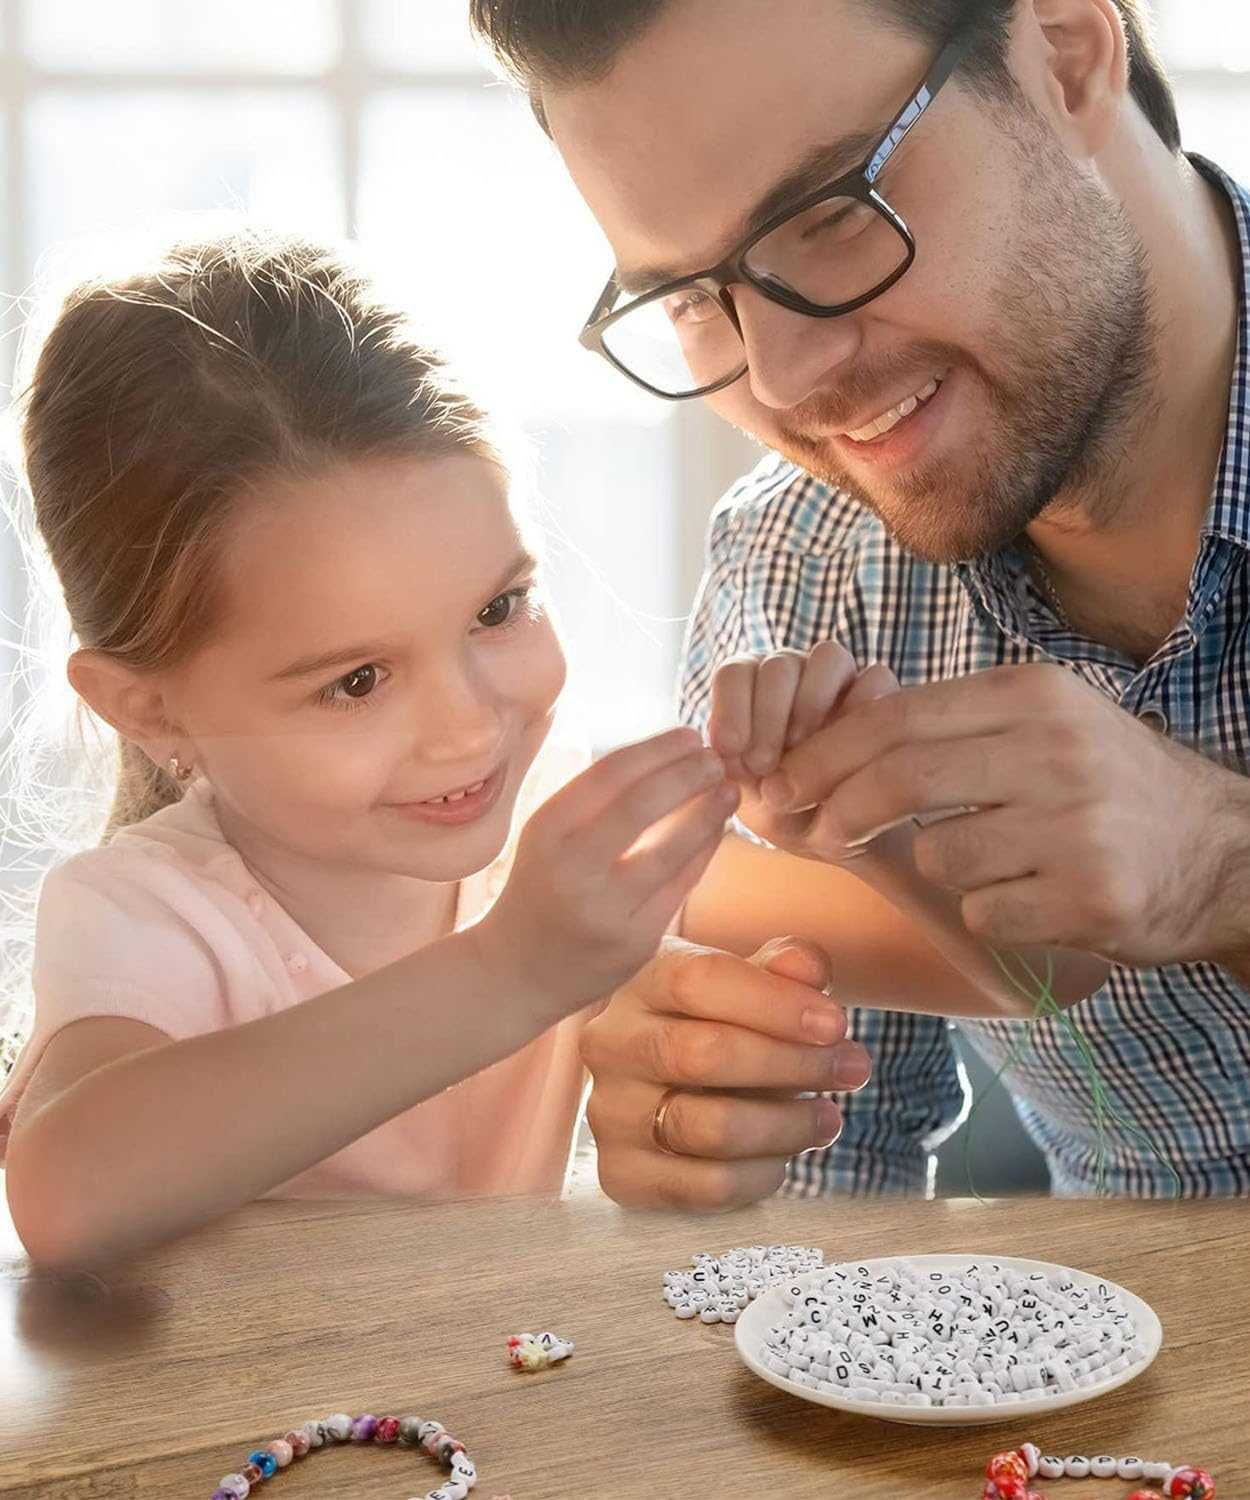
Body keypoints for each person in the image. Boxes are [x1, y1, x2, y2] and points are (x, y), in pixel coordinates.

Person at [470, 0, 1250, 1200]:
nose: (784, 379)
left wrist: (1216, 864)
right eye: (689, 298)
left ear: (1062, 54)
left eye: (829, 215)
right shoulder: (801, 565)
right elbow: (841, 1186)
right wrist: (708, 1159)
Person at [0, 228, 766, 1268]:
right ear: (150, 710)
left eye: (498, 609)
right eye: (355, 682)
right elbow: (67, 1194)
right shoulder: (148, 913)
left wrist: (865, 806)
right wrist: (511, 972)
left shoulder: (541, 829)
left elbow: (999, 960)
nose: (466, 726)